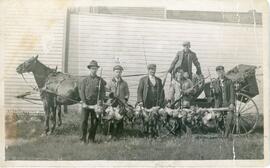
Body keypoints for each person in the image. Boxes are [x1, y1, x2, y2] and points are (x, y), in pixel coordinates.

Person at [79, 60, 106, 144]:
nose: (94, 70)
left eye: (95, 68)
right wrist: (83, 102)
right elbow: (81, 92)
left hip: (95, 105)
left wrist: (99, 102)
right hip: (86, 104)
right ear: (89, 69)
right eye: (92, 68)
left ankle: (91, 139)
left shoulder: (100, 80)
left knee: (94, 122)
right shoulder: (85, 80)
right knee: (83, 121)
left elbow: (102, 93)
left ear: (97, 69)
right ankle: (83, 139)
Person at [106, 65, 130, 138]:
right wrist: (110, 96)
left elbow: (127, 93)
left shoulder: (124, 83)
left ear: (121, 72)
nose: (118, 73)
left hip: (121, 104)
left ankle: (119, 134)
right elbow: (106, 92)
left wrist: (125, 100)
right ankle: (110, 134)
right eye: (116, 72)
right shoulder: (110, 82)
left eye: (120, 72)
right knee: (111, 118)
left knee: (120, 119)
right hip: (112, 104)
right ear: (114, 72)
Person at [212, 65, 235, 138]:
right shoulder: (215, 82)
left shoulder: (229, 81)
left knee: (229, 118)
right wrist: (212, 90)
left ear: (224, 72)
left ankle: (226, 135)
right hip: (218, 105)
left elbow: (232, 93)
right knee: (217, 119)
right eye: (218, 72)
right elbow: (214, 95)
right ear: (217, 73)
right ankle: (222, 131)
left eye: (222, 72)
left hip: (227, 104)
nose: (220, 73)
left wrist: (232, 103)